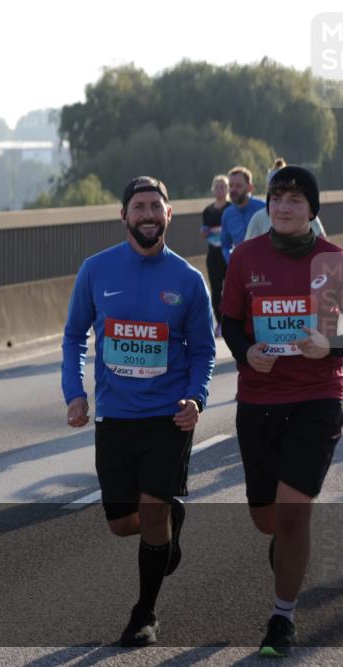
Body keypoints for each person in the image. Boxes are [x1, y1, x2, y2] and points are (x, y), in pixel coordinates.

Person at [220, 166, 343, 657]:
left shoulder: (333, 260)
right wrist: (246, 352)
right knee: (266, 518)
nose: (284, 206)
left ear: (312, 209)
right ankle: (283, 545)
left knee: (292, 514)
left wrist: (328, 344)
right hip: (259, 402)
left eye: (295, 199)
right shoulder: (246, 258)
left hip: (317, 399)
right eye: (277, 198)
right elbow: (230, 324)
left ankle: (282, 618)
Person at [62, 176, 216, 647]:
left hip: (168, 416)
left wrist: (196, 397)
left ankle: (144, 613)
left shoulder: (188, 280)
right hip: (115, 415)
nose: (148, 215)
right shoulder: (96, 270)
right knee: (120, 523)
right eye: (139, 207)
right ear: (124, 215)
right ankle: (172, 517)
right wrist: (75, 392)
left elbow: (204, 350)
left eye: (156, 207)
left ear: (169, 215)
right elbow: (73, 336)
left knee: (150, 515)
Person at [244, 160, 326, 241]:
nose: (283, 209)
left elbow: (322, 239)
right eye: (276, 198)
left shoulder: (307, 217)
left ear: (311, 210)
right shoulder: (258, 218)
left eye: (294, 201)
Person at [201, 175, 229, 335]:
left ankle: (233, 321)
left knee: (231, 289)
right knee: (216, 290)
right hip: (213, 255)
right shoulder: (208, 211)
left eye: (223, 186)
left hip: (230, 254)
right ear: (213, 189)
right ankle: (220, 323)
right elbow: (205, 229)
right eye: (217, 187)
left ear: (227, 189)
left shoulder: (231, 209)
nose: (220, 190)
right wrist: (204, 232)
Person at [220, 166, 266, 263]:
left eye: (238, 186)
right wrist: (232, 262)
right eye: (231, 186)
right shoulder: (227, 214)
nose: (233, 190)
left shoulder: (264, 209)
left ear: (250, 188)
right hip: (241, 267)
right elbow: (225, 245)